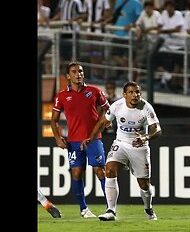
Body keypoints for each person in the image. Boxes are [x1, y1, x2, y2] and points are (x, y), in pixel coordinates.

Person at [83, 81, 162, 221]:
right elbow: (102, 123)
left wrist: (146, 137)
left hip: (139, 147)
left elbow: (157, 129)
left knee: (144, 184)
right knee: (109, 169)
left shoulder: (146, 107)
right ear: (124, 95)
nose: (135, 95)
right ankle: (111, 211)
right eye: (131, 92)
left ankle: (148, 209)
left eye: (137, 92)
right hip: (121, 143)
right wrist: (91, 138)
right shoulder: (117, 106)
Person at [51, 62, 110, 218]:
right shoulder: (61, 96)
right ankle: (84, 209)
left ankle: (110, 207)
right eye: (74, 72)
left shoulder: (95, 91)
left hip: (93, 139)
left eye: (81, 71)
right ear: (68, 76)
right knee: (76, 173)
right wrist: (57, 138)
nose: (79, 74)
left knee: (100, 171)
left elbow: (109, 110)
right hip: (74, 141)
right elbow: (53, 120)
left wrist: (100, 126)